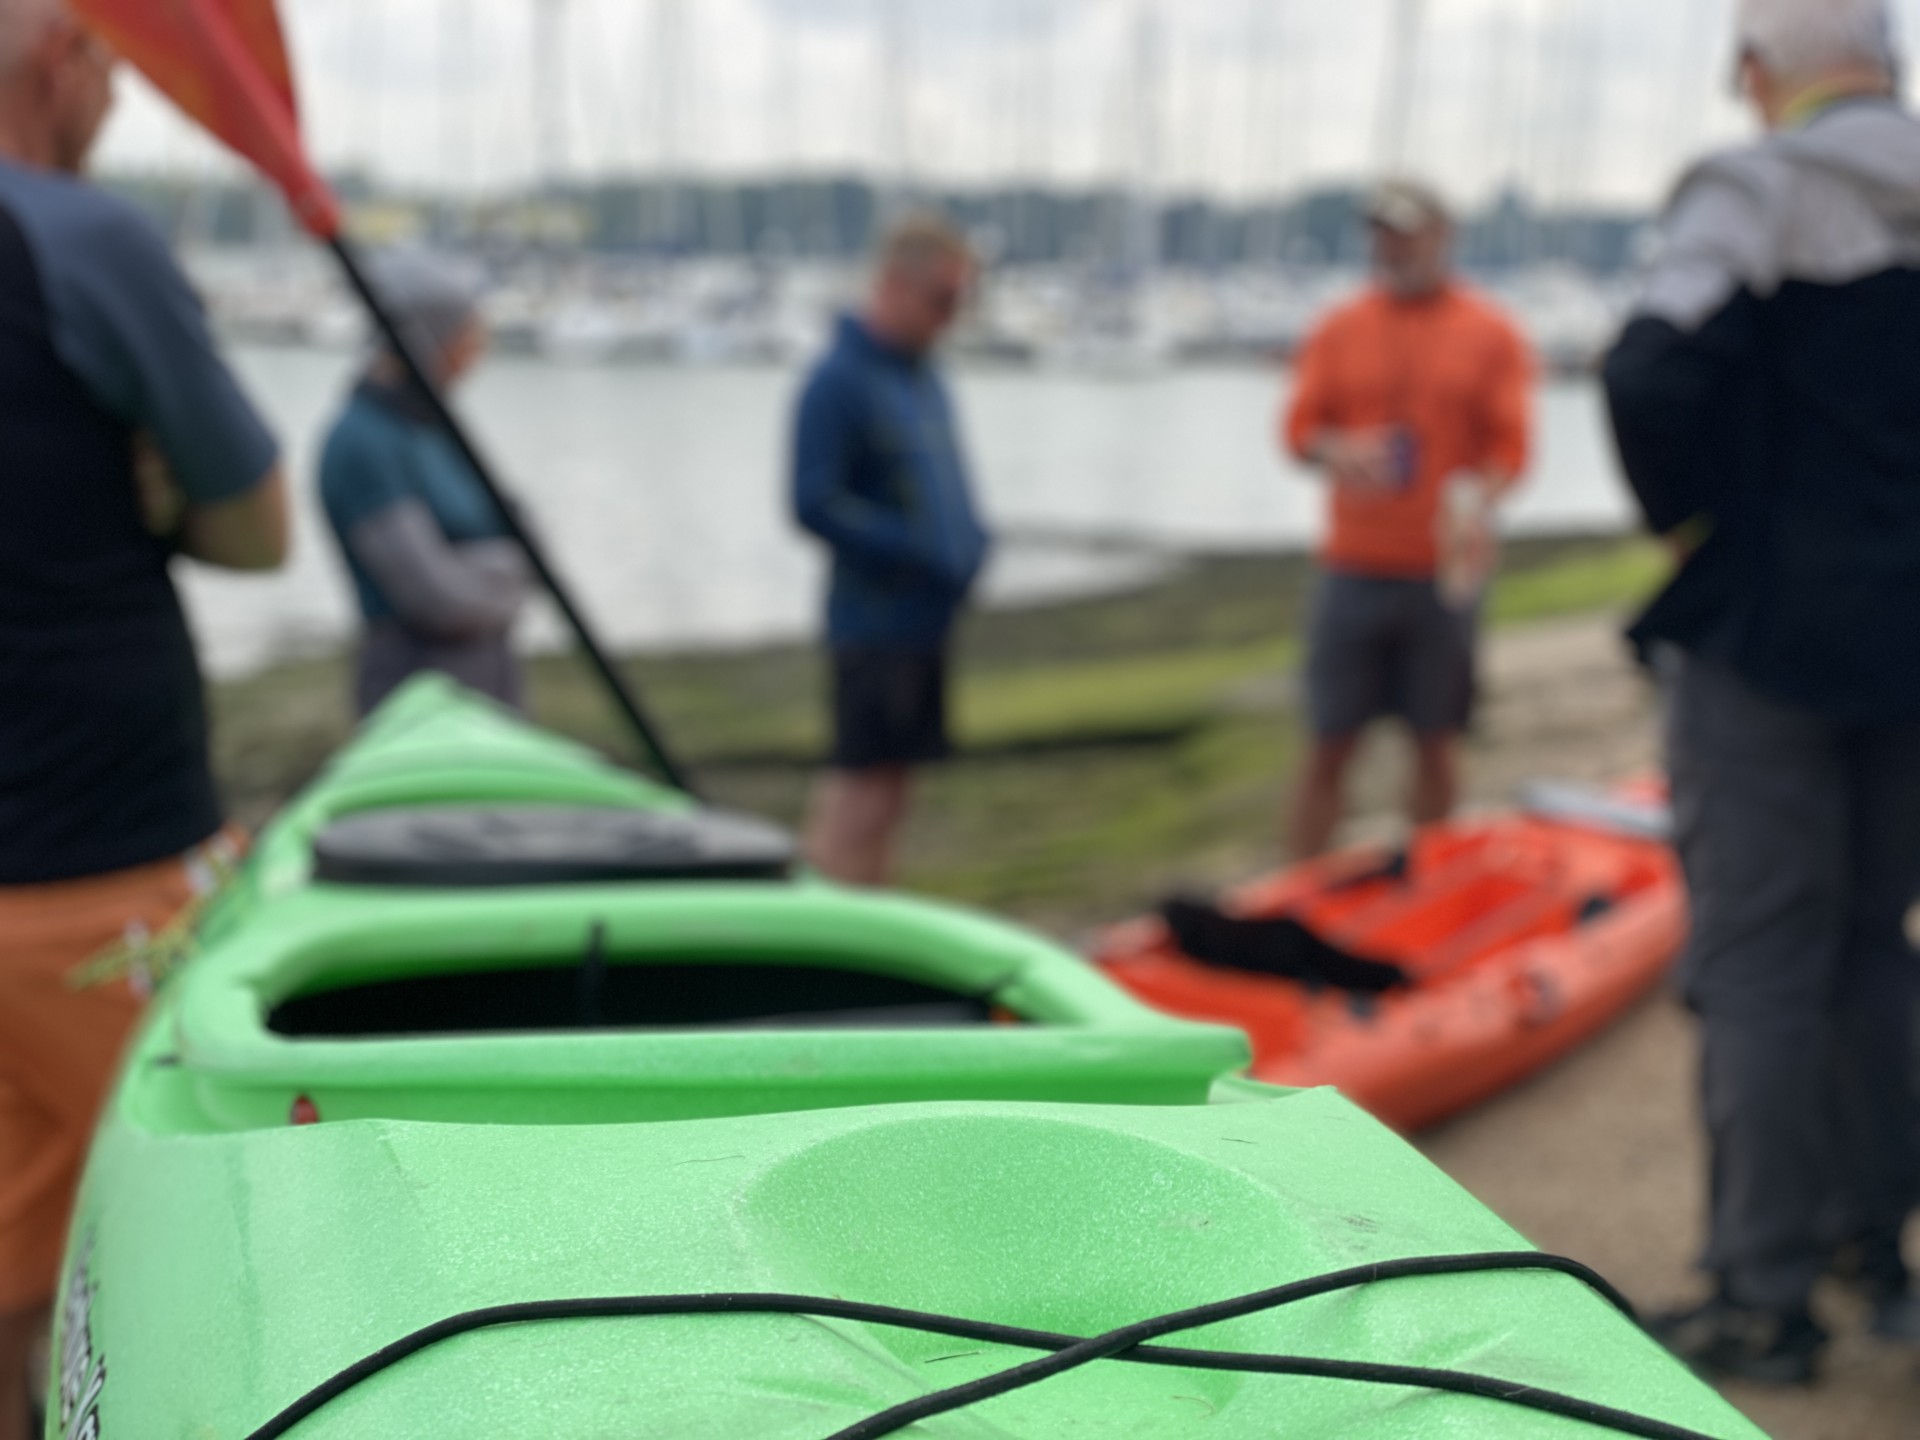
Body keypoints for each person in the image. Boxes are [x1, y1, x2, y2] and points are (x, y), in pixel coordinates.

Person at [1605, 0, 1920, 1385]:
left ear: (1756, 75)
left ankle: (1761, 1291)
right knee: (1871, 940)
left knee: (1760, 963)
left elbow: (1649, 369)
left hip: (1773, 637)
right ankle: (1878, 1253)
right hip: (1914, 641)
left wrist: (1694, 528)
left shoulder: (1754, 189)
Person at [0, 2, 288, 1434]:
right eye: (112, 68)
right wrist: (152, 497)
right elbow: (258, 531)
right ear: (67, 63)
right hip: (101, 868)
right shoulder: (75, 238)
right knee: (172, 1253)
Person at [1281, 180, 1533, 860]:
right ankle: (1299, 884)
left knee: (1436, 738)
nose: (1394, 247)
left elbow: (1513, 450)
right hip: (1353, 564)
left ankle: (1433, 877)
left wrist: (1475, 494)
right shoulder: (1339, 327)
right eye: (1383, 234)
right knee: (1329, 740)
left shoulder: (1491, 331)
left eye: (1408, 232)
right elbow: (1300, 430)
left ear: (1441, 234)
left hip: (1442, 569)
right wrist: (1339, 450)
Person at [791, 213, 991, 886]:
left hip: (925, 619)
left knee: (894, 791)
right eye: (941, 300)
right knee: (858, 790)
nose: (950, 318)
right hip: (873, 621)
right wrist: (914, 551)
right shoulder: (837, 380)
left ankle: (871, 919)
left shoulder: (921, 376)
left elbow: (944, 482)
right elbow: (812, 501)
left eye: (961, 303)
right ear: (893, 285)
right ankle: (822, 941)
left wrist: (972, 542)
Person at [319, 252, 528, 716]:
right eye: (467, 332)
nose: (479, 347)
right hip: (417, 694)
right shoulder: (362, 441)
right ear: (430, 335)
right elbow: (438, 598)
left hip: (491, 680)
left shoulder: (434, 426)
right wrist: (511, 575)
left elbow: (519, 537)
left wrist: (489, 568)